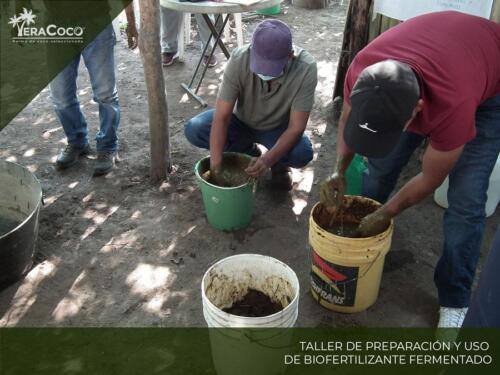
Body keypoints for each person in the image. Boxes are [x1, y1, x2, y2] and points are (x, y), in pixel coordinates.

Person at [320, 11, 500, 328]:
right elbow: (350, 121)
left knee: (466, 201)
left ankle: (455, 300)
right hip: (445, 54)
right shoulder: (365, 70)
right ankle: (366, 247)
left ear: (415, 113)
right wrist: (339, 169)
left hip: (490, 88)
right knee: (378, 169)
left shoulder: (453, 104)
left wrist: (388, 212)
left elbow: (431, 178)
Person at [184, 19, 317, 191]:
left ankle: (279, 165)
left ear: (290, 56)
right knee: (195, 129)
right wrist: (215, 168)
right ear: (252, 50)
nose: (264, 72)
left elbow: (296, 127)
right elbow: (222, 116)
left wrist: (268, 159)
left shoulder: (306, 68)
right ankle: (248, 153)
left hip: (278, 129)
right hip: (241, 121)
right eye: (260, 66)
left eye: (271, 68)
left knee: (302, 153)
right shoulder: (240, 58)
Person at [49, 3, 137, 175]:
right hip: (56, 23)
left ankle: (107, 146)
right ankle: (77, 141)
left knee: (105, 94)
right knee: (61, 96)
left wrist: (131, 21)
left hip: (95, 21)